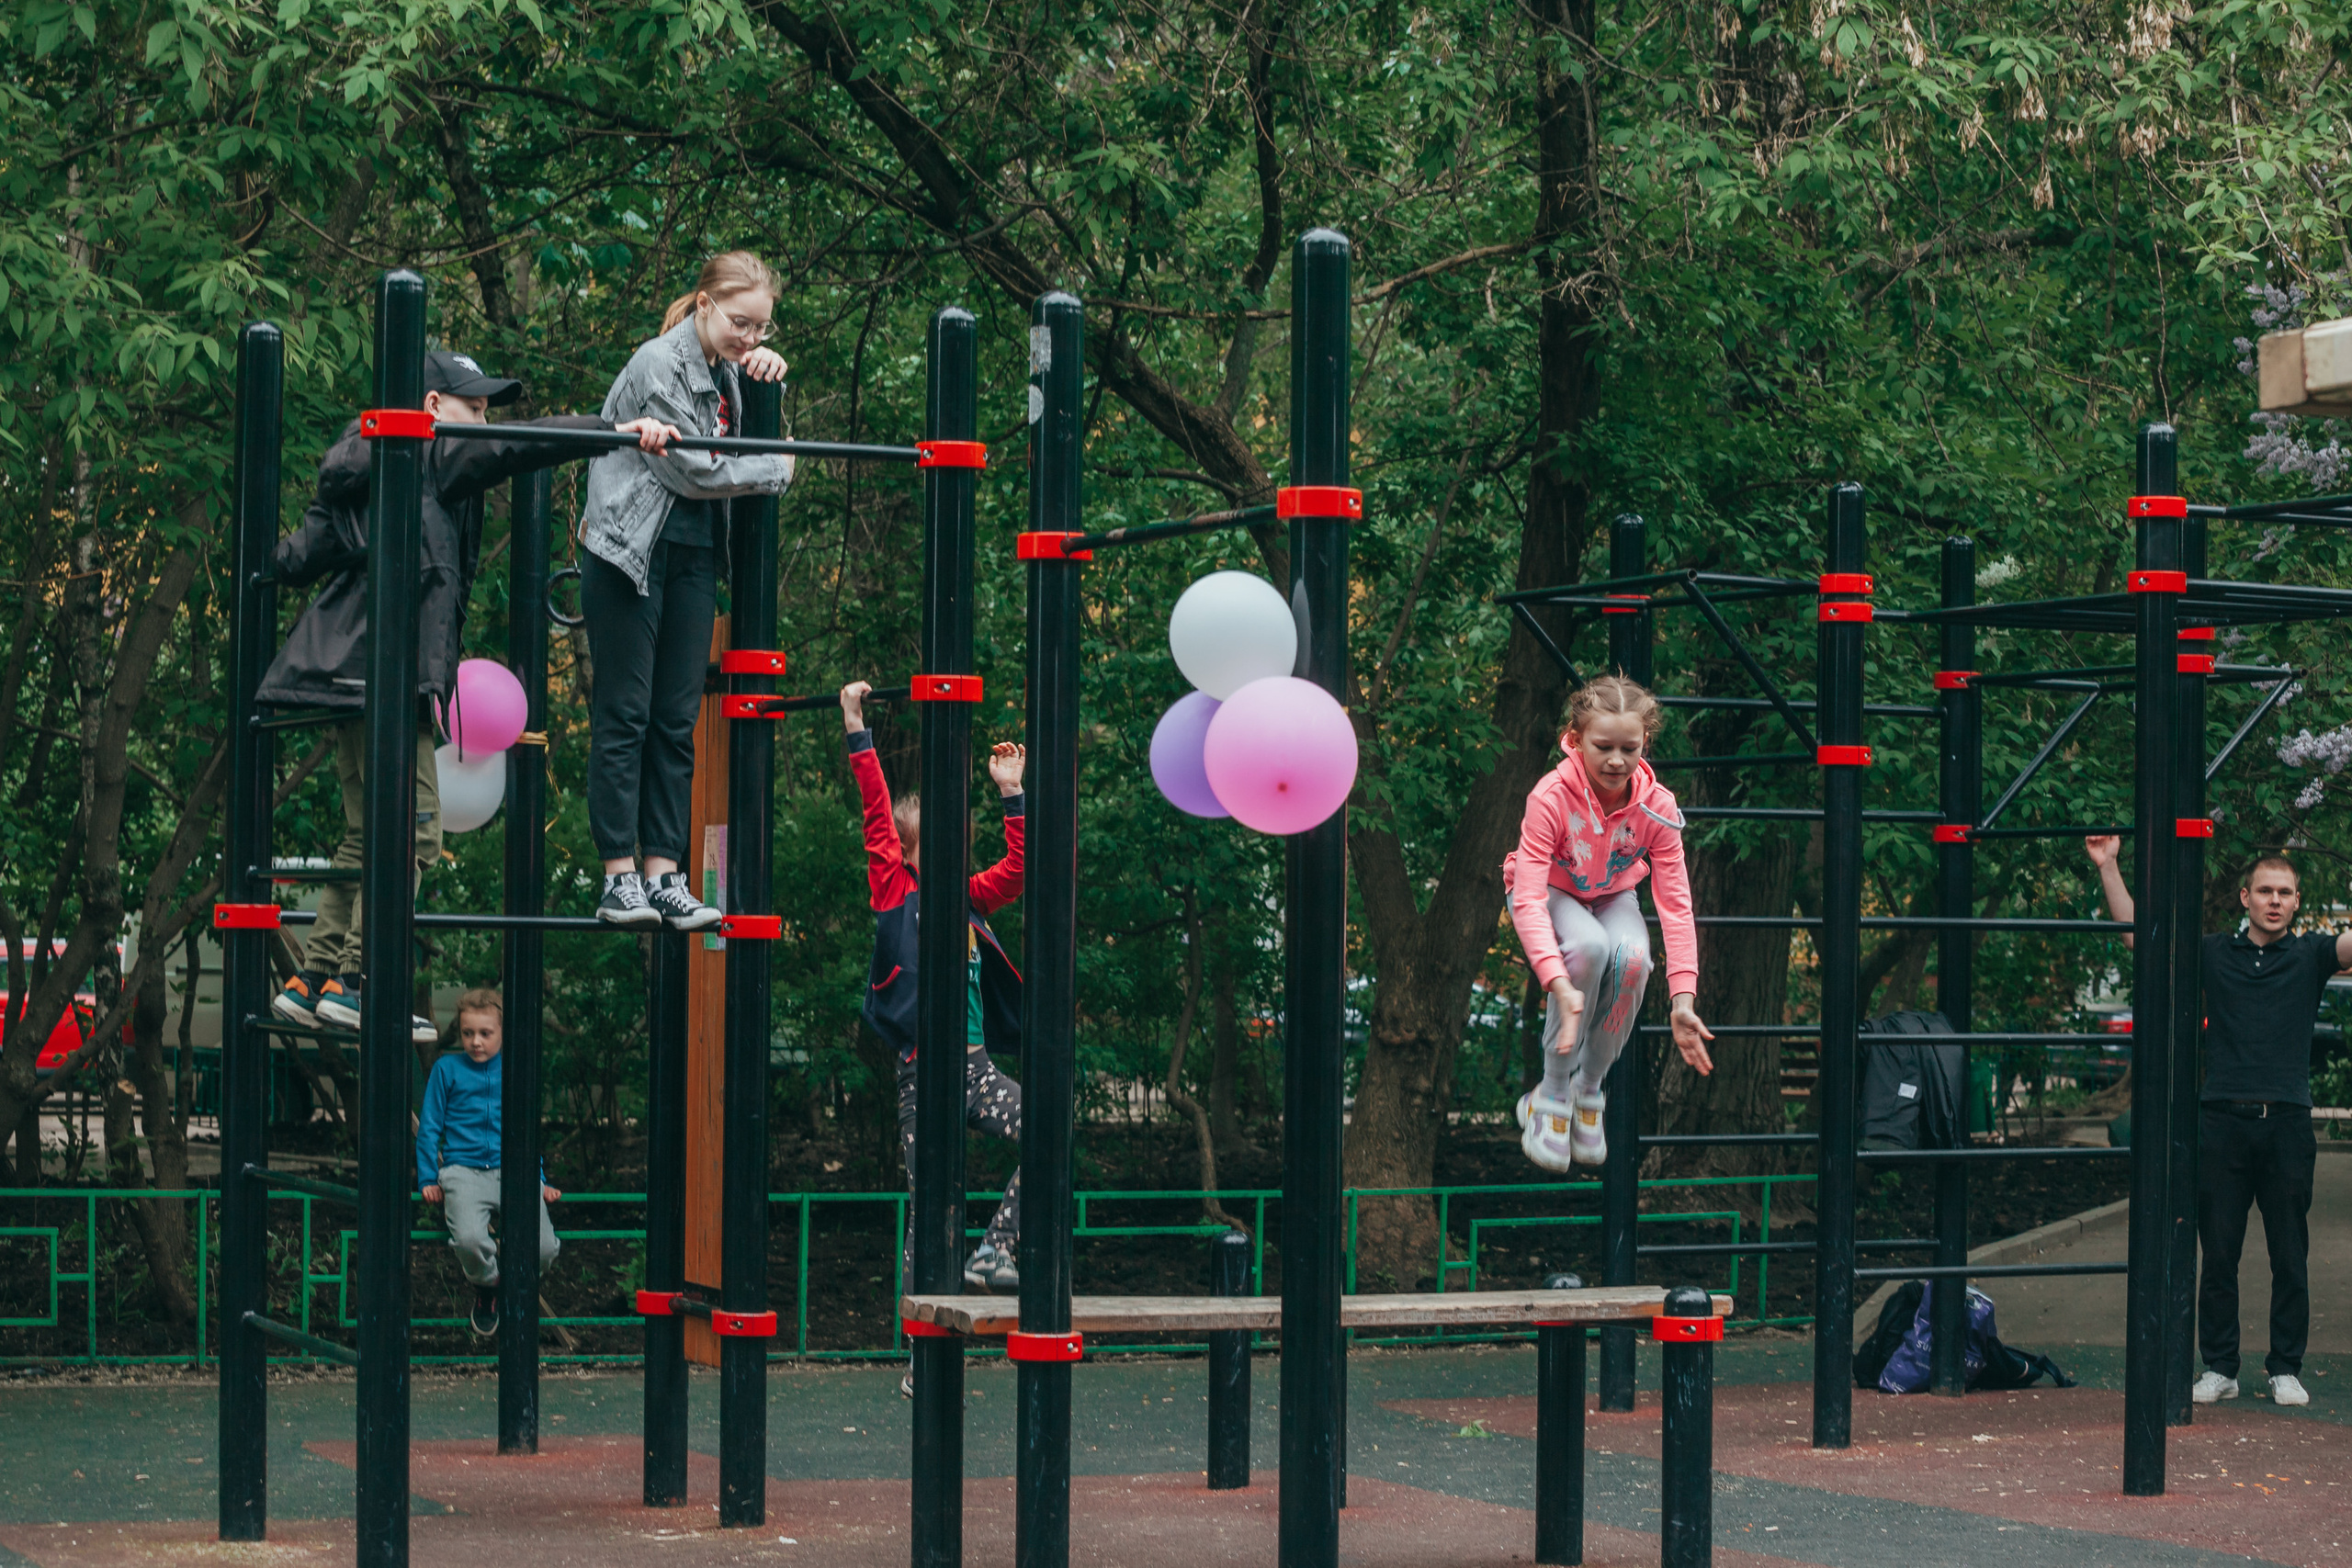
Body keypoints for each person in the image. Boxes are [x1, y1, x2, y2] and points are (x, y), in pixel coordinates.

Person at [264, 351, 675, 1039]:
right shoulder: (430, 451)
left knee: (366, 833)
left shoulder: (364, 467)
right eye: (475, 408)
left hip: (345, 678)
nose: (485, 422)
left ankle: (317, 977)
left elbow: (297, 555)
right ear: (431, 407)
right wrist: (613, 429)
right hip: (391, 680)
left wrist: (264, 555)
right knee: (416, 830)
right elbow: (523, 442)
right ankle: (363, 980)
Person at [578, 251, 796, 929]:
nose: (749, 338)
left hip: (695, 555)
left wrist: (767, 376)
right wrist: (777, 467)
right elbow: (694, 470)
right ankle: (619, 876)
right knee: (627, 713)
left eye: (761, 328)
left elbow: (744, 445)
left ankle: (663, 873)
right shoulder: (657, 362)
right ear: (704, 305)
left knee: (677, 720)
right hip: (627, 552)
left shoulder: (731, 371)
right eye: (740, 324)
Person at [2085, 836, 2334, 1408]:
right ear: (2246, 897)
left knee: (2289, 1255)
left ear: (2297, 901)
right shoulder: (2215, 952)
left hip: (2287, 1124)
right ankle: (2220, 1367)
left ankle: (2285, 1368)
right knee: (2218, 1254)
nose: (2275, 901)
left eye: (2285, 893)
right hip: (2221, 1122)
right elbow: (2140, 939)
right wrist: (2110, 866)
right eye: (2265, 891)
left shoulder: (2311, 956)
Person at [840, 681, 1028, 1304]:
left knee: (1049, 1128)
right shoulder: (896, 890)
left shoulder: (969, 899)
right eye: (938, 840)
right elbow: (875, 809)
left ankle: (996, 1249)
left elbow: (1017, 871)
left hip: (976, 1070)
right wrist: (856, 727)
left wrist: (1012, 794)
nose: (955, 849)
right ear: (911, 849)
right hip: (924, 1077)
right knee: (930, 1205)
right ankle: (920, 1343)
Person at [1505, 674, 1715, 1170]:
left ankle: (1588, 1089)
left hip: (1611, 893)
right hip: (1550, 891)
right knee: (1590, 947)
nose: (1617, 760)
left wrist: (1683, 998)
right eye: (1603, 747)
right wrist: (1558, 982)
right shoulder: (1551, 797)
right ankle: (1551, 1093)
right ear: (1576, 740)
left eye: (1630, 748)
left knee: (1634, 959)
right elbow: (1529, 897)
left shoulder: (1657, 808)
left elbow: (1676, 904)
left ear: (1646, 743)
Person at [416, 987, 560, 1336]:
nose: (475, 1042)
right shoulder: (447, 1069)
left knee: (544, 1248)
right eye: (468, 1033)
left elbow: (526, 1130)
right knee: (468, 1239)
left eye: (485, 1033)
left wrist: (538, 1179)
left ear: (502, 1033)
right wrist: (428, 1178)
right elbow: (430, 1127)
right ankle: (487, 1287)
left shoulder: (515, 1069)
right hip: (462, 1172)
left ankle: (511, 1286)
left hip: (513, 1171)